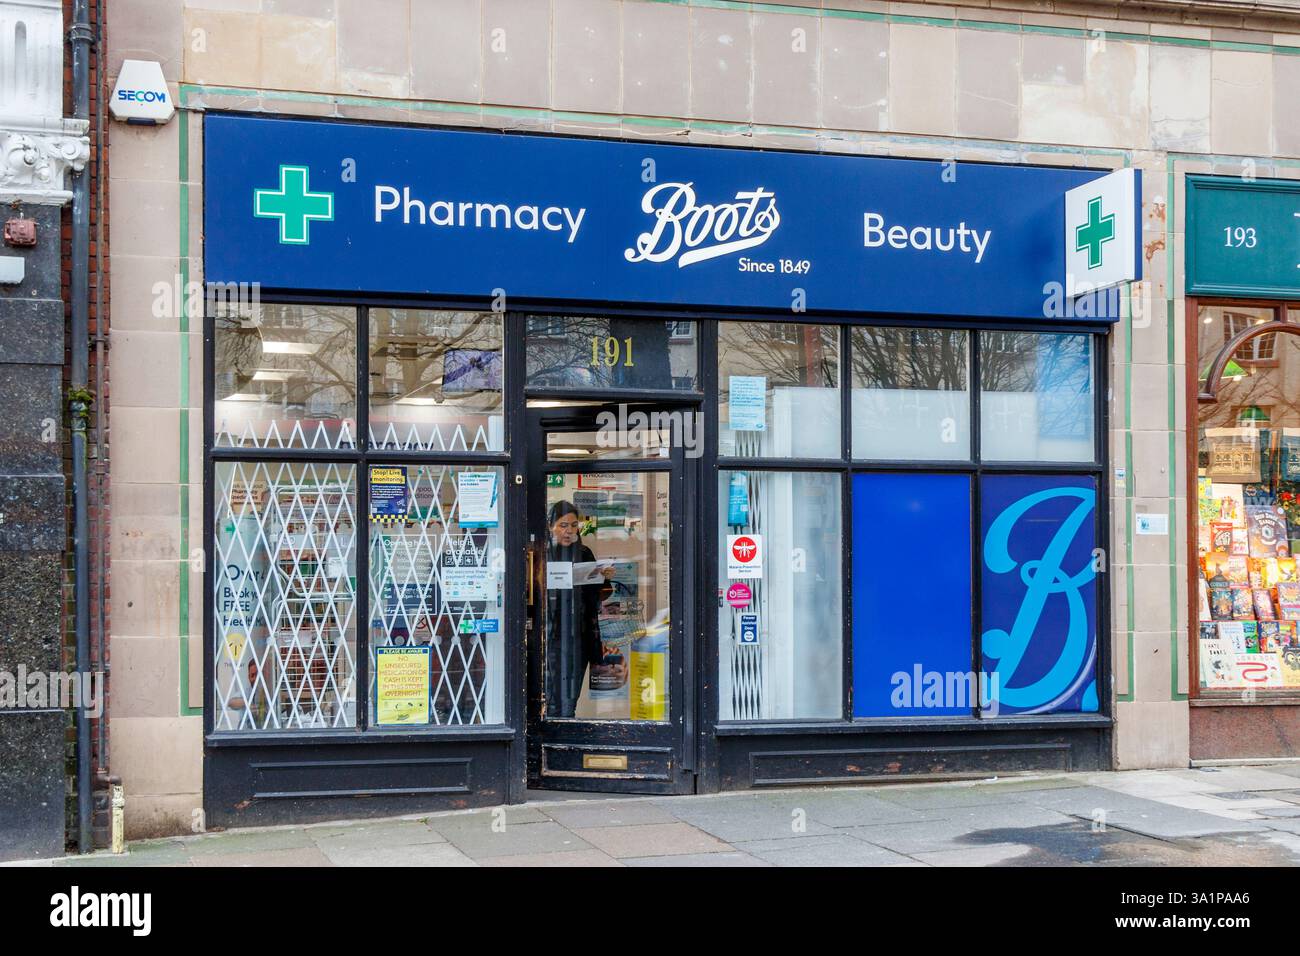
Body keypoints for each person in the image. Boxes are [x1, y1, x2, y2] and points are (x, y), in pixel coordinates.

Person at [545, 500, 620, 718]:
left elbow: (601, 595)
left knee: (570, 695)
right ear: (551, 526)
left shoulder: (584, 552)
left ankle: (566, 723)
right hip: (550, 634)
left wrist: (605, 579)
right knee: (549, 692)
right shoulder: (543, 552)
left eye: (573, 525)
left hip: (580, 634)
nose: (569, 531)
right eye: (563, 525)